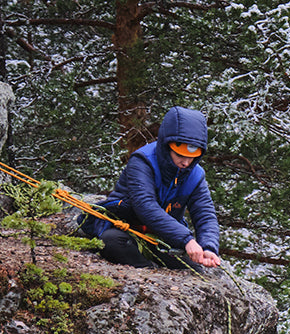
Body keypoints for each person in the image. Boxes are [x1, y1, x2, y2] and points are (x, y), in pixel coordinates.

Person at [81, 106, 221, 271]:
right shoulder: (143, 161)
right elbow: (146, 206)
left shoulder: (195, 175)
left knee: (194, 268)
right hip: (124, 227)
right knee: (111, 241)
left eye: (192, 158)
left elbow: (205, 214)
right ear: (166, 146)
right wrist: (187, 240)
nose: (186, 163)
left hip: (160, 236)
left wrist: (209, 247)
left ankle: (152, 262)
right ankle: (148, 270)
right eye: (180, 156)